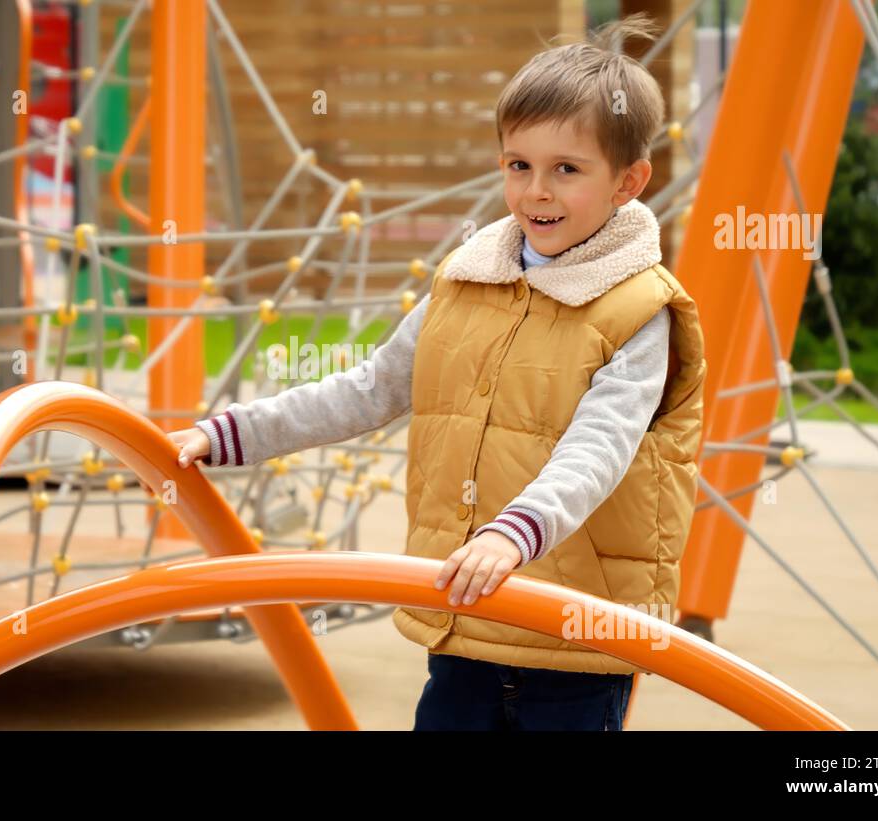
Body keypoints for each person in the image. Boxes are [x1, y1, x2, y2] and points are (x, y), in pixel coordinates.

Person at [167, 13, 706, 731]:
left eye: (566, 170)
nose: (536, 191)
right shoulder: (466, 281)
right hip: (468, 611)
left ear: (627, 182)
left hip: (577, 635)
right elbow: (371, 387)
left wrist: (513, 533)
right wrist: (232, 433)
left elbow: (600, 446)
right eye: (519, 165)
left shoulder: (641, 310)